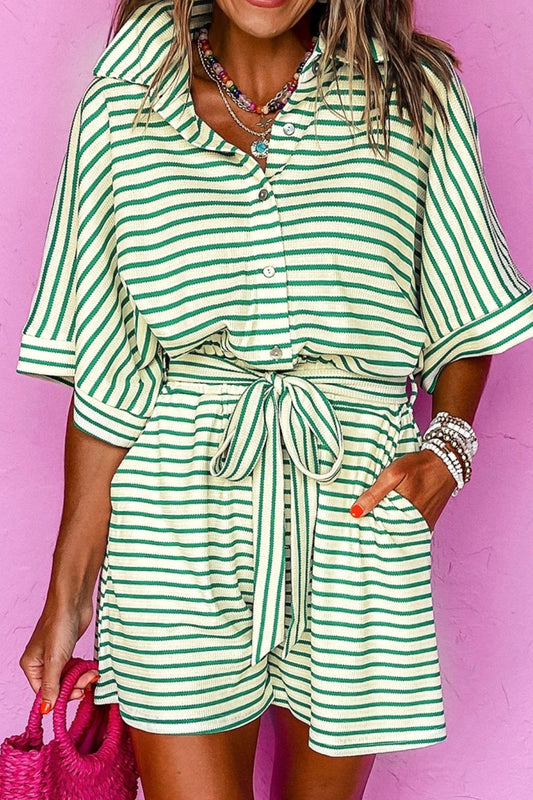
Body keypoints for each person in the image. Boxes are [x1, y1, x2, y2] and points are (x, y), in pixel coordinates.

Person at [15, 0, 533, 798]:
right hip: (176, 513)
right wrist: (65, 598)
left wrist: (447, 449)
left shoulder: (414, 95)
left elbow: (465, 303)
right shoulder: (122, 111)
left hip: (354, 507)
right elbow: (108, 376)